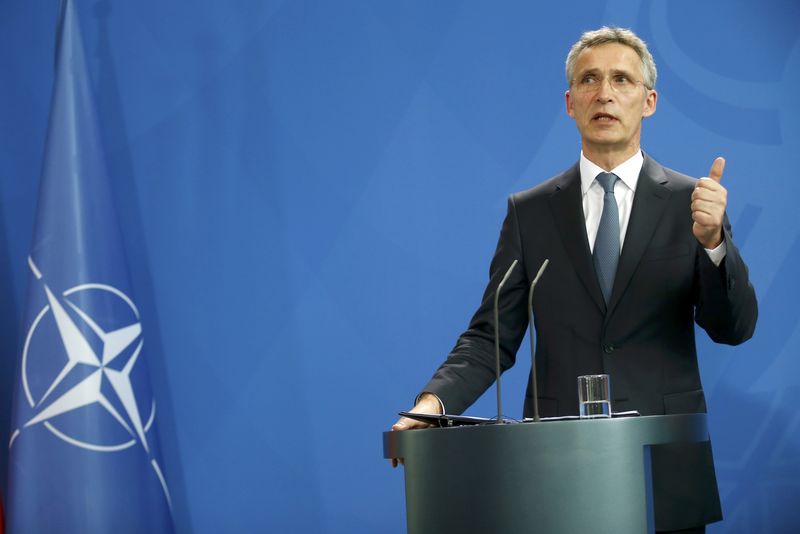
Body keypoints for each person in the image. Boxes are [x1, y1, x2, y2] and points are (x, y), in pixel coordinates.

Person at [390, 26, 758, 534]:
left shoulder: (692, 203)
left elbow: (733, 328)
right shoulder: (530, 213)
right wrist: (431, 406)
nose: (604, 92)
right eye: (589, 79)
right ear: (570, 102)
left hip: (663, 465)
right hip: (556, 468)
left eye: (621, 80)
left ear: (648, 101)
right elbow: (489, 339)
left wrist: (715, 243)